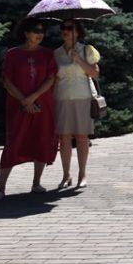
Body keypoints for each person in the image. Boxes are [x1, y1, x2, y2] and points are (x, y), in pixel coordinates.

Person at [0, 18, 58, 200]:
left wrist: (33, 97)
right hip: (18, 105)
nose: (40, 34)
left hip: (42, 105)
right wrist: (24, 100)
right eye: (35, 30)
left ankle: (36, 182)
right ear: (26, 33)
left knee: (42, 139)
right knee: (13, 142)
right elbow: (7, 82)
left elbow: (51, 78)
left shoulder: (48, 54)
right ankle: (1, 187)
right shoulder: (13, 54)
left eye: (42, 31)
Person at [52, 19, 100, 191]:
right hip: (62, 98)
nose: (65, 31)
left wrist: (78, 59)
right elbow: (53, 79)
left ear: (78, 32)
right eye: (63, 28)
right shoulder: (56, 53)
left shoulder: (87, 50)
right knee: (64, 138)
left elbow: (94, 74)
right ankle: (66, 175)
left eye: (70, 28)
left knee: (81, 137)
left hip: (83, 98)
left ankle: (82, 174)